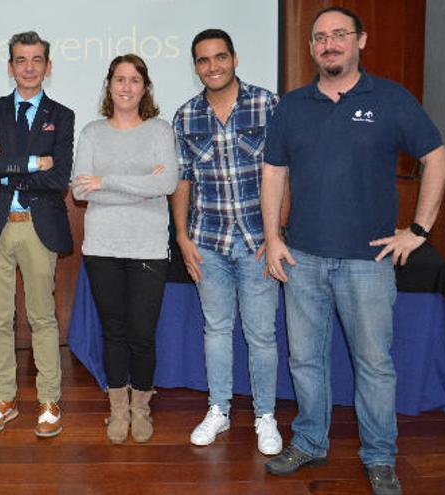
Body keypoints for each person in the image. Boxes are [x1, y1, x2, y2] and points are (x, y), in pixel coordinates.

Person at [260, 7, 445, 495]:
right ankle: (309, 442)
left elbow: (437, 158)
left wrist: (419, 230)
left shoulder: (389, 98)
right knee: (304, 360)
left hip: (368, 263)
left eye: (339, 35)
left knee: (374, 365)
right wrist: (274, 239)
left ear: (360, 41)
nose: (329, 44)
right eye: (320, 37)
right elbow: (274, 174)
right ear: (311, 49)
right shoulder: (292, 106)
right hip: (302, 258)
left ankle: (380, 456)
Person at [171, 29, 282, 455]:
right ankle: (219, 410)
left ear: (234, 59)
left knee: (261, 335)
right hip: (208, 241)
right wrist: (181, 236)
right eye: (203, 60)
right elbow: (181, 182)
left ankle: (265, 416)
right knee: (216, 330)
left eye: (219, 57)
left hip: (258, 242)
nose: (212, 66)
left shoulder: (267, 104)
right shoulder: (185, 116)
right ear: (195, 66)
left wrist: (276, 235)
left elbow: (283, 172)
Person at [0, 31, 75, 437]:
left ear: (48, 67)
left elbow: (59, 176)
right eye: (20, 59)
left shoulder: (61, 114)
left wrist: (7, 163)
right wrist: (33, 161)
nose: (28, 67)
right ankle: (5, 399)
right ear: (10, 66)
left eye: (36, 60)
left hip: (38, 227)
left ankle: (49, 399)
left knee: (42, 317)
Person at [72, 54, 178, 444]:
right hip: (102, 247)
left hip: (148, 248)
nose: (127, 87)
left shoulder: (159, 131)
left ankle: (142, 408)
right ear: (109, 85)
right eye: (120, 79)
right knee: (113, 332)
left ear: (145, 87)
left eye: (135, 80)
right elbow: (81, 190)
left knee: (142, 334)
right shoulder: (92, 133)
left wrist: (106, 182)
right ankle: (118, 410)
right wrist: (137, 185)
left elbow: (166, 184)